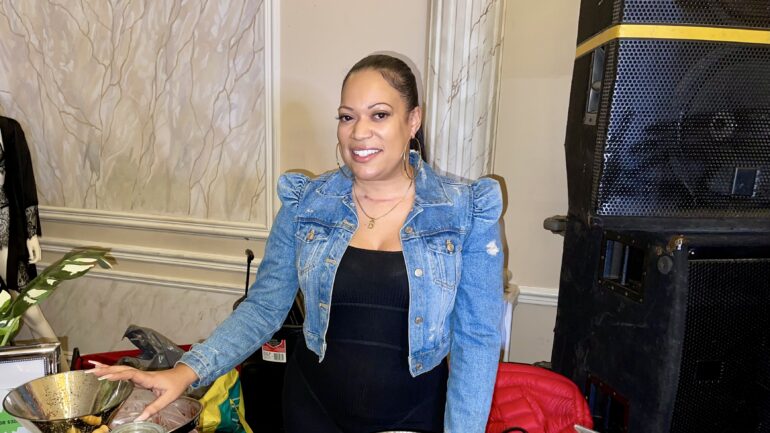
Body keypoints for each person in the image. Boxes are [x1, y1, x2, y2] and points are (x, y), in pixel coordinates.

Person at [88, 54, 504, 433]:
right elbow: (264, 307)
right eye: (347, 117)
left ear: (413, 121)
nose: (359, 132)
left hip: (410, 416)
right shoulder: (307, 204)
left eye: (379, 115)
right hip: (313, 409)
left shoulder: (465, 213)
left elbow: (477, 340)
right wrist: (186, 371)